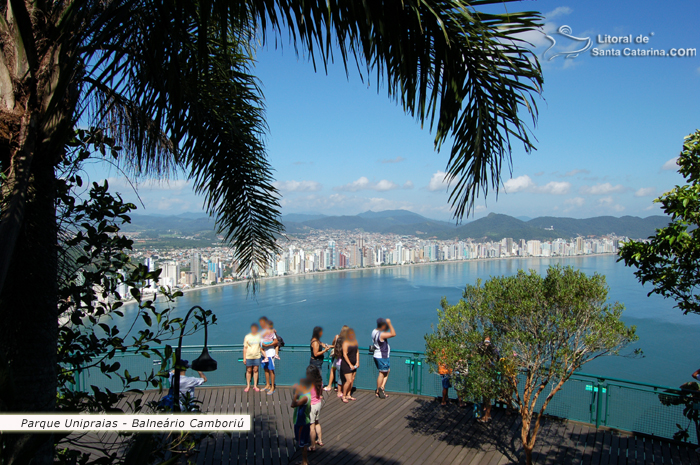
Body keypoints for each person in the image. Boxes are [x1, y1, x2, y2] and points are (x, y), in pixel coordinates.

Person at [477, 334, 500, 422]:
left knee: (487, 395)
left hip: (487, 373)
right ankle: (486, 413)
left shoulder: (489, 348)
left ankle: (487, 415)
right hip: (487, 373)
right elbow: (498, 358)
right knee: (485, 394)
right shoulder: (493, 348)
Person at [371, 318, 396, 399]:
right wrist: (389, 323)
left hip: (377, 355)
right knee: (382, 373)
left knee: (387, 371)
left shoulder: (374, 331)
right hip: (382, 356)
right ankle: (379, 390)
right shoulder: (381, 335)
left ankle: (381, 388)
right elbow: (393, 334)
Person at [291, 378, 313, 465]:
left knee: (302, 444)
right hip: (301, 422)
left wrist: (295, 395)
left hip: (302, 423)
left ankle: (304, 462)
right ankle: (305, 461)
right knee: (302, 442)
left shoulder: (305, 397)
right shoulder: (306, 394)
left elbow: (293, 404)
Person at [306, 365, 325, 451]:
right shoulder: (320, 382)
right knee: (317, 422)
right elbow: (320, 393)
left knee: (311, 426)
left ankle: (312, 445)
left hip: (312, 405)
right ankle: (320, 440)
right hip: (318, 403)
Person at [325, 325, 348, 393]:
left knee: (333, 370)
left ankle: (329, 385)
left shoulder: (337, 337)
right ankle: (340, 388)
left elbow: (333, 344)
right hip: (343, 358)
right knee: (342, 373)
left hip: (336, 357)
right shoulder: (347, 339)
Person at [340, 328, 359, 403]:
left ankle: (349, 394)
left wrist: (357, 362)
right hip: (346, 364)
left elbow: (357, 351)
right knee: (349, 380)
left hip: (354, 363)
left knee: (352, 379)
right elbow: (344, 354)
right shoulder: (345, 343)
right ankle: (344, 396)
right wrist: (350, 364)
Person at [260, 319, 279, 395]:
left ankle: (272, 387)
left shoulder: (272, 332)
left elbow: (276, 341)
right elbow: (261, 343)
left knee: (271, 370)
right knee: (266, 369)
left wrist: (267, 345)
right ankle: (267, 385)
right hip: (264, 354)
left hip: (270, 354)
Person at [243, 322, 263, 392]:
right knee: (249, 370)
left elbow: (261, 346)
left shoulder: (259, 336)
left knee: (255, 370)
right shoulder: (247, 337)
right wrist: (244, 358)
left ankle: (255, 385)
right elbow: (245, 348)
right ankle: (248, 385)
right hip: (249, 356)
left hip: (257, 356)